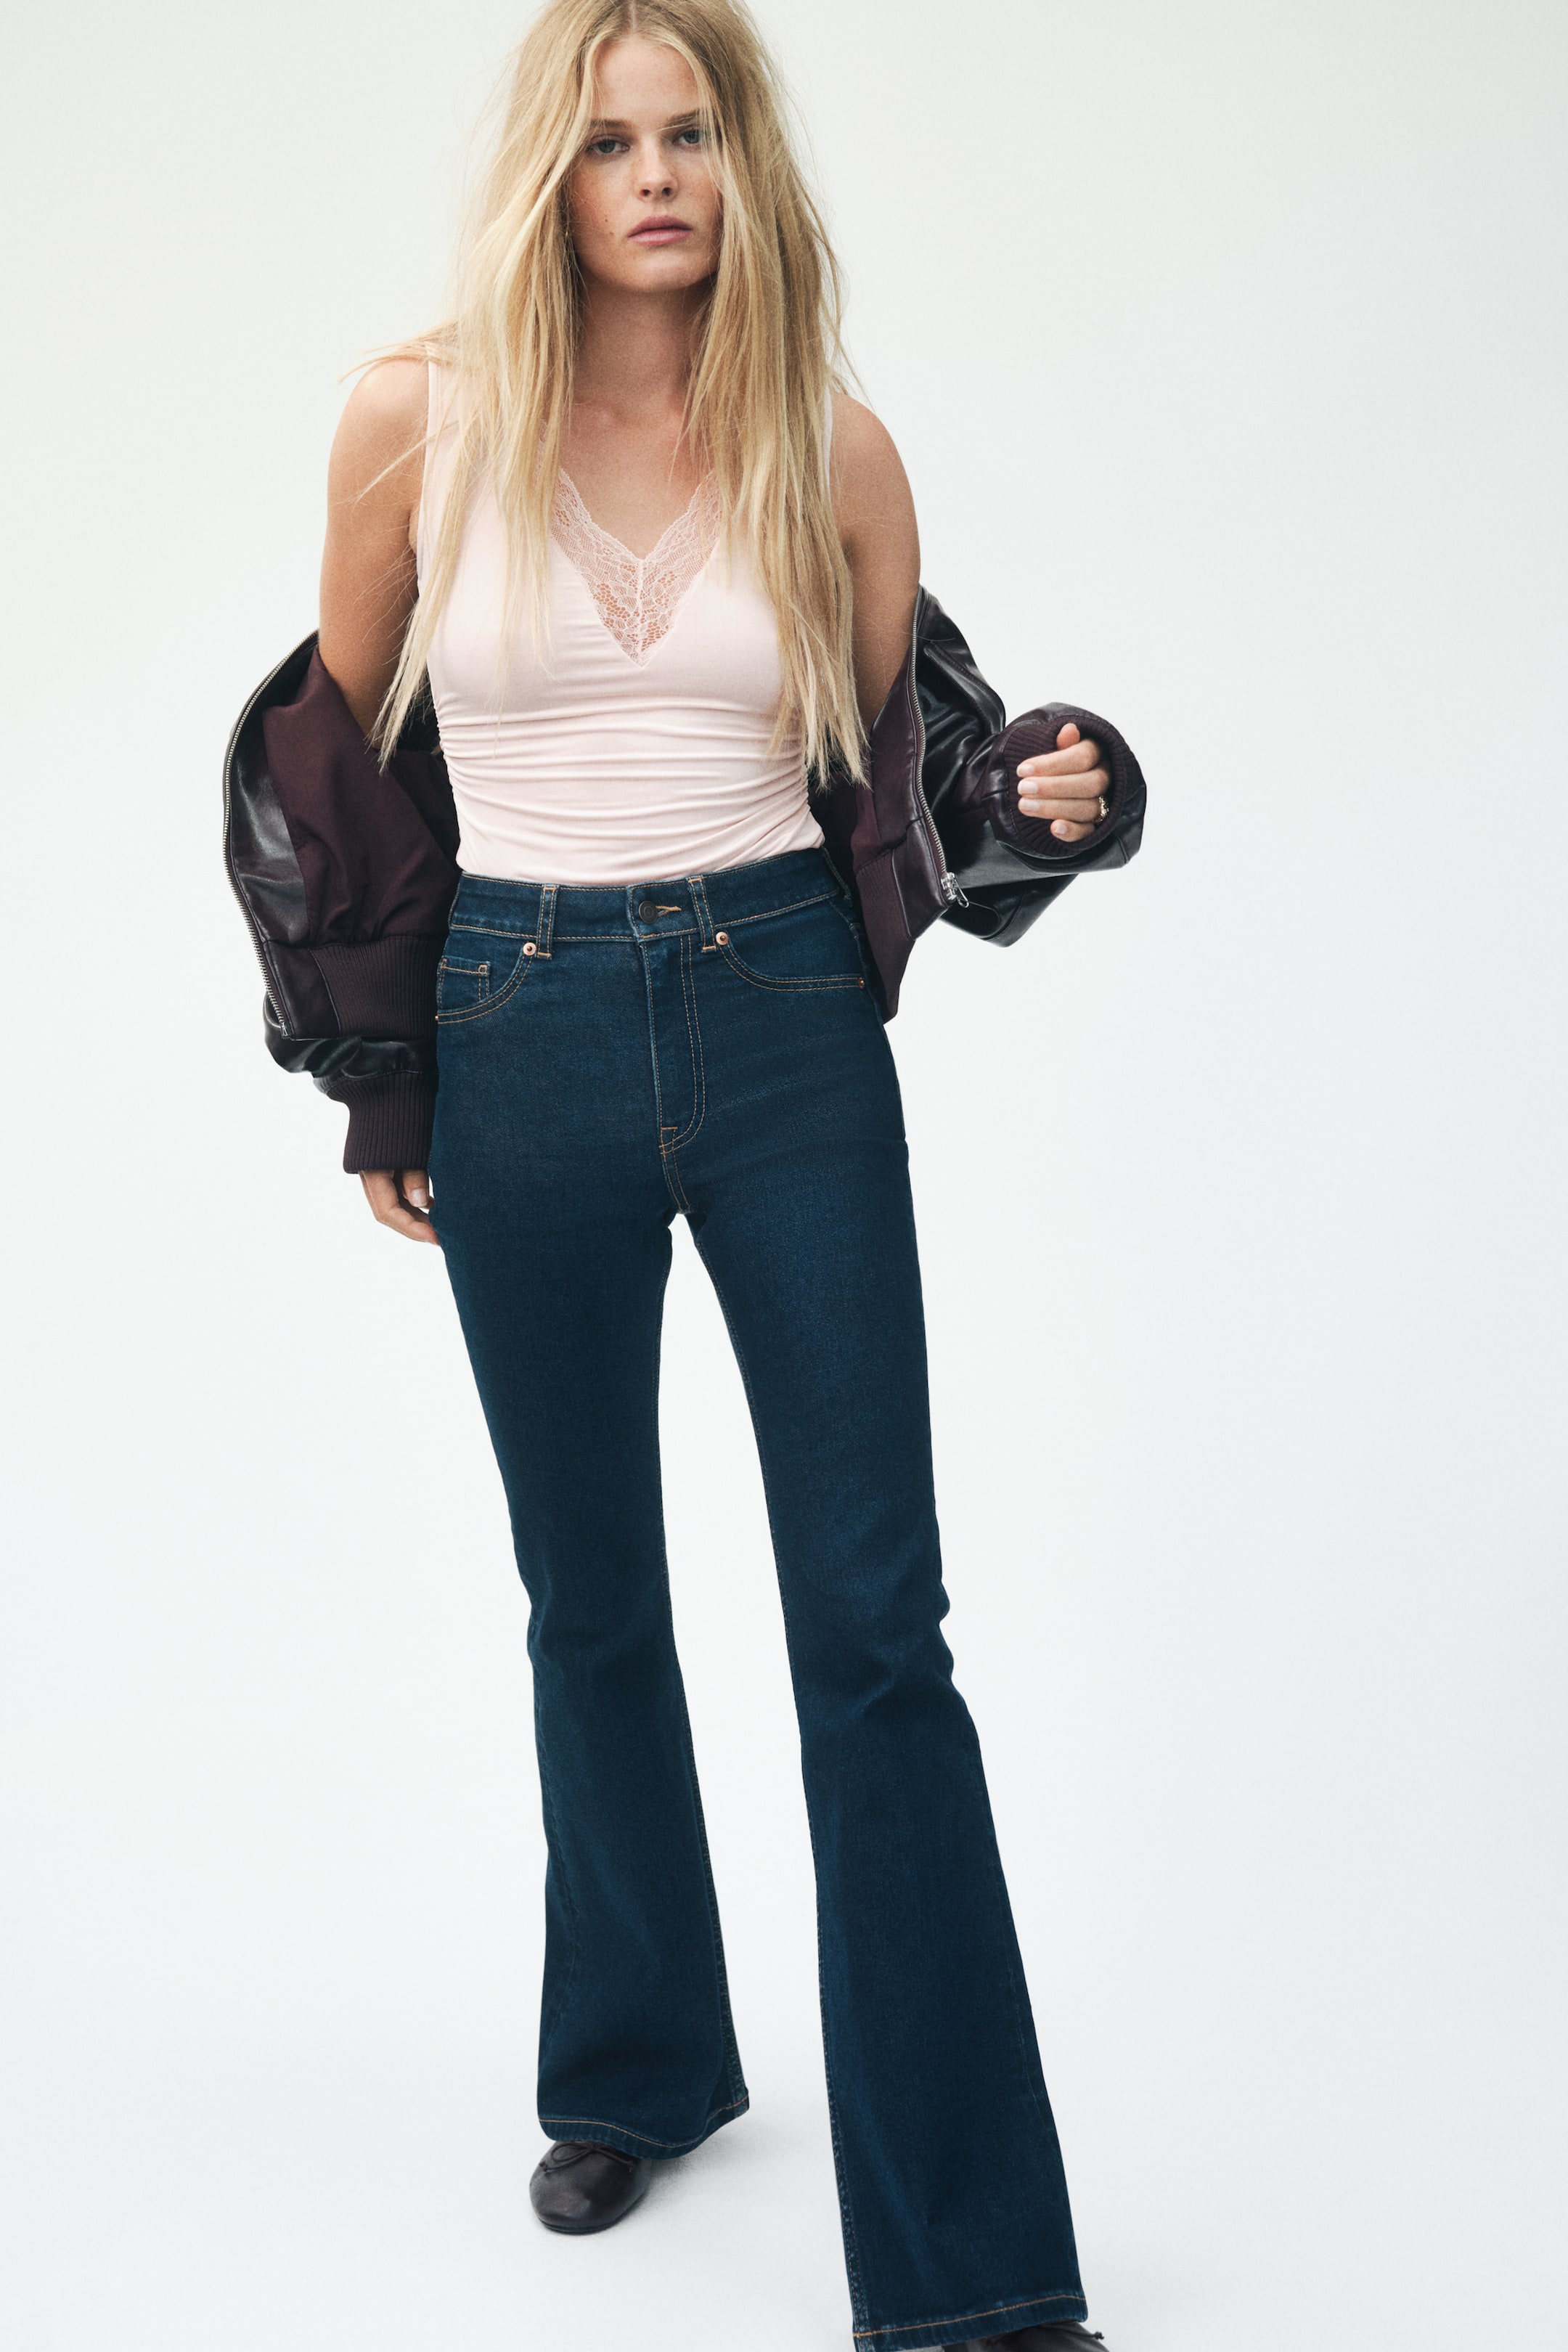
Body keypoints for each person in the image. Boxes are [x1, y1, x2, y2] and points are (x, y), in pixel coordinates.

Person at [224, 3, 1146, 2345]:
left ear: (744, 166)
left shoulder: (828, 445)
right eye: (610, 138)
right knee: (592, 1598)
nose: (654, 174)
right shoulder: (418, 420)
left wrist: (1050, 792)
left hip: (782, 1024)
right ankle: (638, 2066)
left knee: (875, 1628)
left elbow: (910, 771)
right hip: (514, 1025)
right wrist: (384, 1087)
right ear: (551, 175)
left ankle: (975, 2281)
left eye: (692, 132)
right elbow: (335, 776)